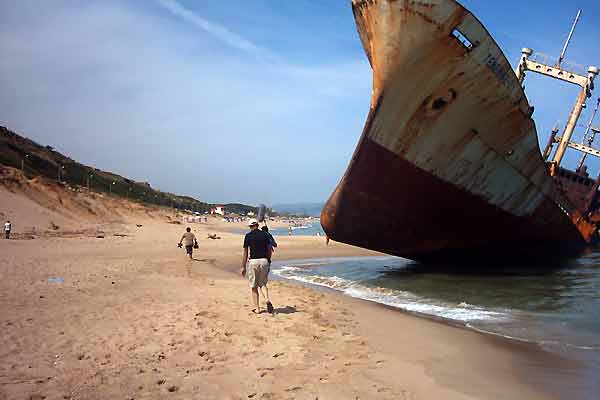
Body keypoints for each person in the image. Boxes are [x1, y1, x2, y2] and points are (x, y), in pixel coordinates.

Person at [241, 219, 273, 314]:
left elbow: (245, 252)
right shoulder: (265, 235)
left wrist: (243, 266)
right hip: (264, 261)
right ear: (258, 225)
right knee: (262, 283)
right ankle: (267, 299)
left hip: (253, 262)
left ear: (250, 227)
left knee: (254, 286)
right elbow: (269, 249)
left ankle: (257, 308)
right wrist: (268, 260)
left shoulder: (248, 236)